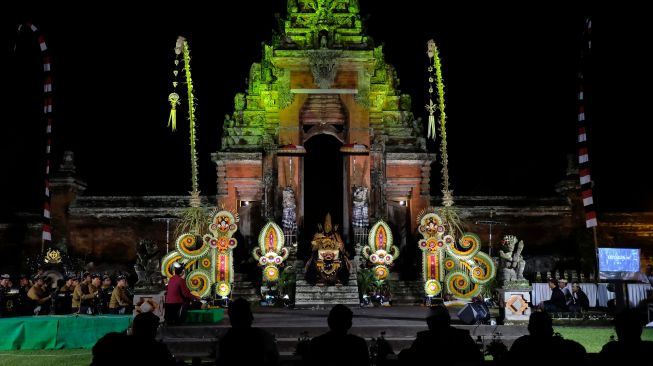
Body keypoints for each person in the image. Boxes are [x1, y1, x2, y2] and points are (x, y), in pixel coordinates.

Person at [399, 305, 482, 365]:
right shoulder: (463, 336)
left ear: (429, 322)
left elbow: (409, 356)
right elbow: (478, 357)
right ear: (448, 320)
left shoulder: (424, 339)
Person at [216, 298, 279, 366]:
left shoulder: (225, 340)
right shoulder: (262, 337)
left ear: (231, 319)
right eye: (249, 314)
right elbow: (274, 358)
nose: (252, 317)